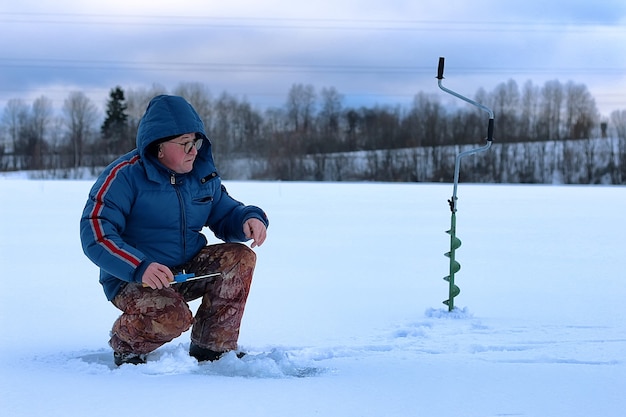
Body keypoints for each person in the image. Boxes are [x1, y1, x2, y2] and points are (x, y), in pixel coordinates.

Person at [80, 95, 268, 366]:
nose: (194, 150)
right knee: (173, 315)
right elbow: (95, 232)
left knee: (239, 258)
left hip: (184, 270)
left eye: (196, 142)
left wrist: (248, 218)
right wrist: (139, 266)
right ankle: (127, 345)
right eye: (185, 144)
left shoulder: (202, 176)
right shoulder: (123, 176)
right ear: (158, 147)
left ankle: (212, 347)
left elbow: (225, 211)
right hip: (132, 277)